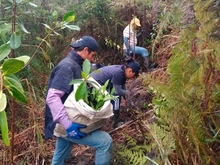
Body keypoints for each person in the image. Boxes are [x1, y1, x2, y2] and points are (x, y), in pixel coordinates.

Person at [44, 36, 112, 165]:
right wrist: (69, 126)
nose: (93, 59)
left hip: (67, 121)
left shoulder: (75, 64)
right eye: (93, 55)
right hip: (67, 122)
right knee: (105, 142)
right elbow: (52, 97)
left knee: (60, 157)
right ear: (85, 50)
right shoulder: (67, 67)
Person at [90, 60, 140, 128]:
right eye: (133, 76)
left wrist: (130, 102)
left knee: (114, 95)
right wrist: (130, 93)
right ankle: (115, 122)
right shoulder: (119, 73)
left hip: (98, 81)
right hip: (94, 83)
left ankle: (110, 117)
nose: (132, 78)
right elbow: (117, 91)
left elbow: (123, 87)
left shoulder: (122, 70)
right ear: (130, 71)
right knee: (116, 97)